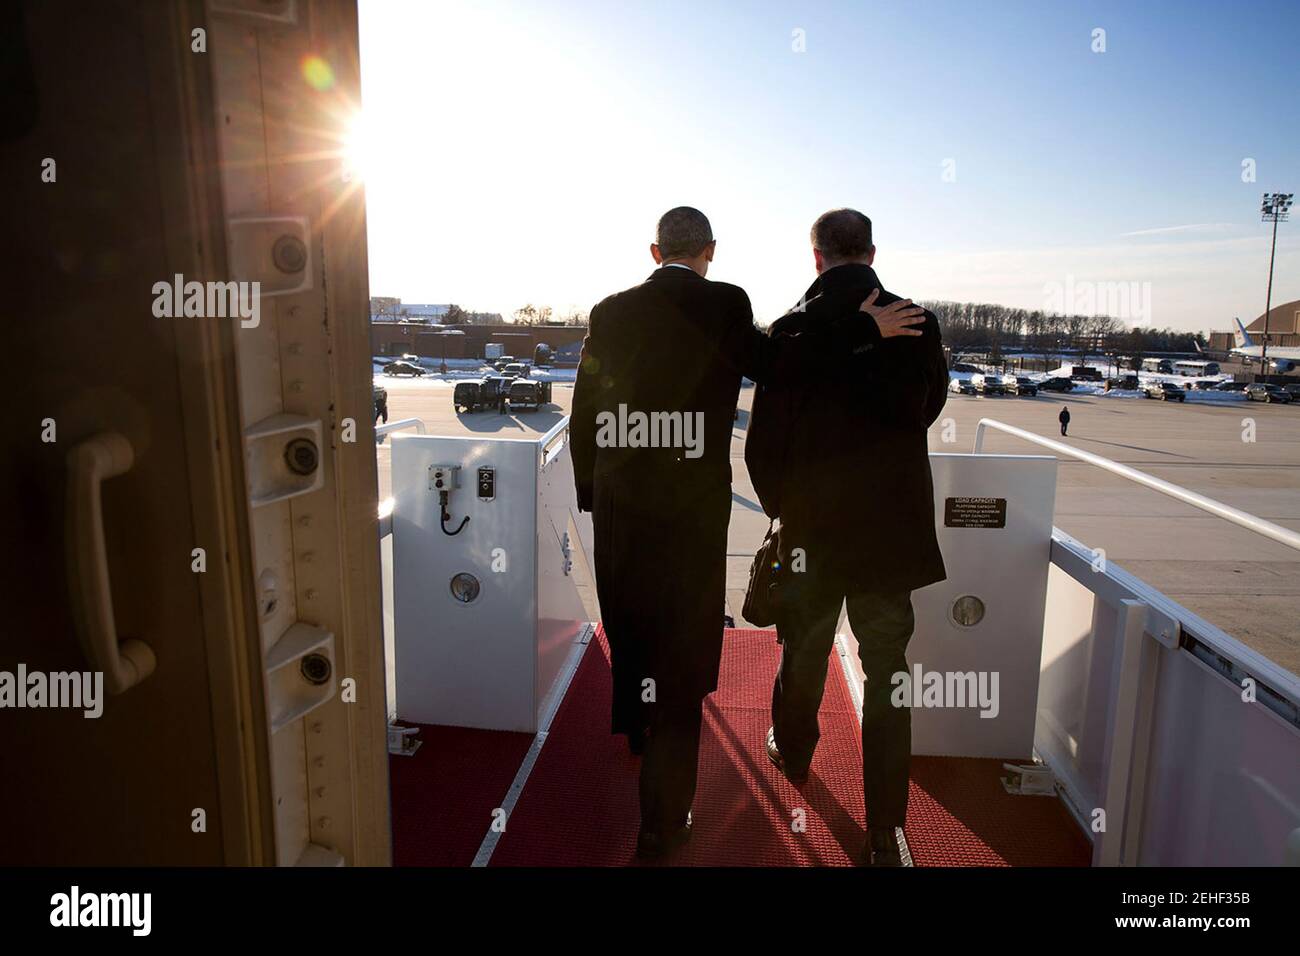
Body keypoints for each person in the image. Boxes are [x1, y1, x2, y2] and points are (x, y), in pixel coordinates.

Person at [570, 206, 926, 858]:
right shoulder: (728, 302)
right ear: (710, 249)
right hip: (698, 511)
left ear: (655, 250)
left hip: (625, 500)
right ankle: (665, 822)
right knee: (685, 652)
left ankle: (641, 725)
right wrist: (860, 328)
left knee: (630, 622)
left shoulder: (609, 309)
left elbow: (587, 403)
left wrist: (592, 489)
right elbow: (776, 365)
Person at [745, 208, 949, 866]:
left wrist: (786, 509)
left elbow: (762, 446)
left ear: (816, 257)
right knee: (889, 675)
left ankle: (794, 754)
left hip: (813, 532)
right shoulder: (915, 321)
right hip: (889, 534)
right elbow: (927, 409)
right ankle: (887, 830)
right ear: (870, 251)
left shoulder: (793, 330)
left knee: (802, 654)